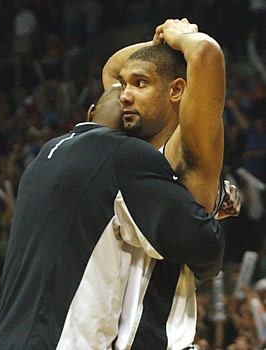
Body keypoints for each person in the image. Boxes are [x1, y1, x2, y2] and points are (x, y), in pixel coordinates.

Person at [0, 84, 225, 350]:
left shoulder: (45, 156)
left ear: (90, 113)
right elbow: (204, 246)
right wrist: (211, 201)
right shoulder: (123, 153)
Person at [102, 18, 239, 348]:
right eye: (126, 85)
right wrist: (160, 44)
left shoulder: (187, 150)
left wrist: (181, 37)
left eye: (141, 83)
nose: (125, 94)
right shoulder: (124, 148)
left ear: (177, 90)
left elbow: (206, 54)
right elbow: (112, 67)